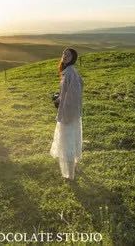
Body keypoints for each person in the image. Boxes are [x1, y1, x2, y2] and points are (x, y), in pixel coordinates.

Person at [49, 47, 83, 181]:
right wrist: (58, 98)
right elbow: (68, 91)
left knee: (67, 142)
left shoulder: (70, 72)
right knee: (71, 140)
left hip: (68, 114)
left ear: (73, 58)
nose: (65, 56)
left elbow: (73, 95)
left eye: (68, 55)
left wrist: (64, 108)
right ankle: (73, 168)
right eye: (64, 53)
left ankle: (70, 175)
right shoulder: (69, 71)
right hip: (71, 112)